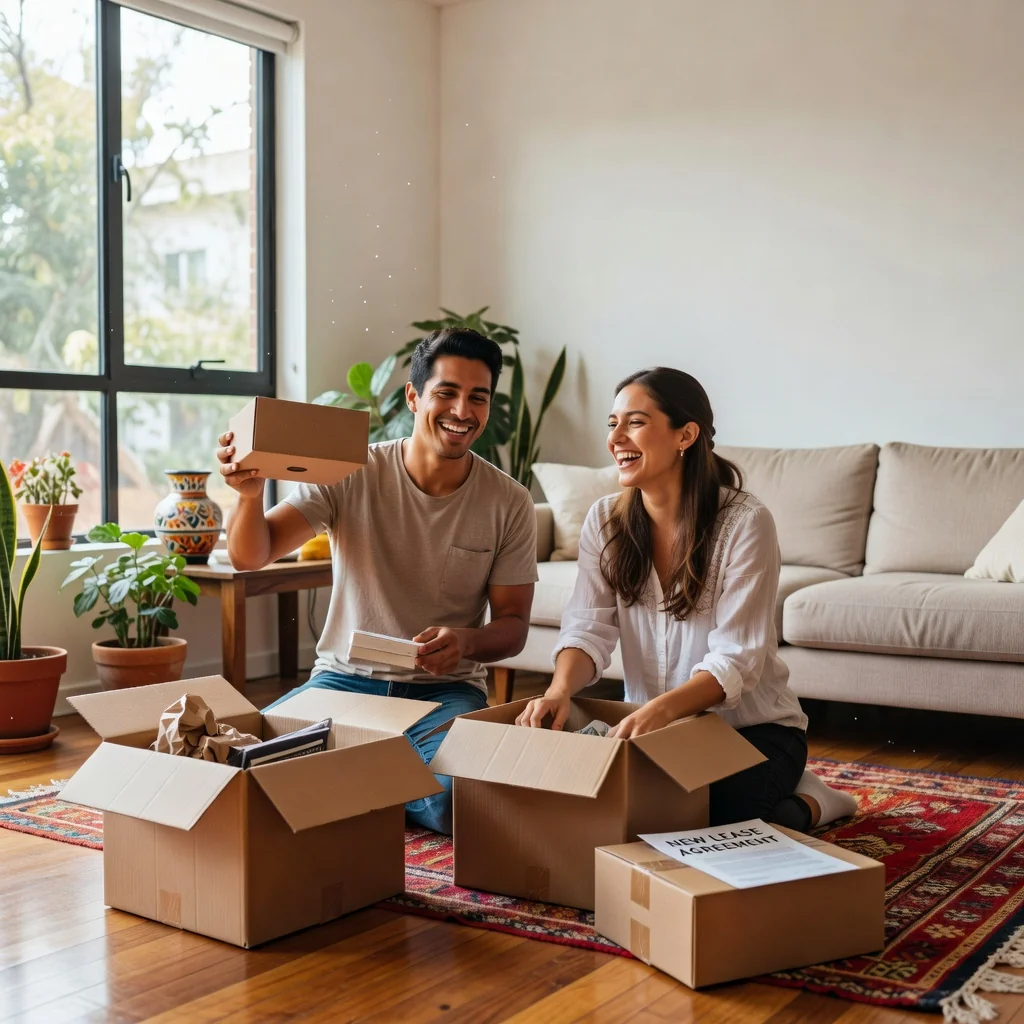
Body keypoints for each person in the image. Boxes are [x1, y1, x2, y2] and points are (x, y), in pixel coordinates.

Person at [217, 328, 538, 834]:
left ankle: (350, 774)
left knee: (462, 800)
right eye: (446, 393)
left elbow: (514, 626)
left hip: (446, 693)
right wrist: (249, 496)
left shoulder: (510, 502)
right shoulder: (352, 470)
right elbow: (251, 555)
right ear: (413, 397)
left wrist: (468, 641)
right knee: (236, 762)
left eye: (478, 397)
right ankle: (375, 775)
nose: (462, 411)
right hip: (344, 681)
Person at [516, 367, 857, 830]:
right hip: (658, 733)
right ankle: (785, 800)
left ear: (686, 435)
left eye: (634, 422)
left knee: (703, 816)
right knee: (630, 805)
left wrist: (658, 711)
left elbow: (735, 658)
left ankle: (814, 799)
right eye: (612, 423)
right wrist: (558, 690)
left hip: (752, 731)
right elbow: (587, 628)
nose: (616, 437)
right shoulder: (604, 520)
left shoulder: (744, 522)